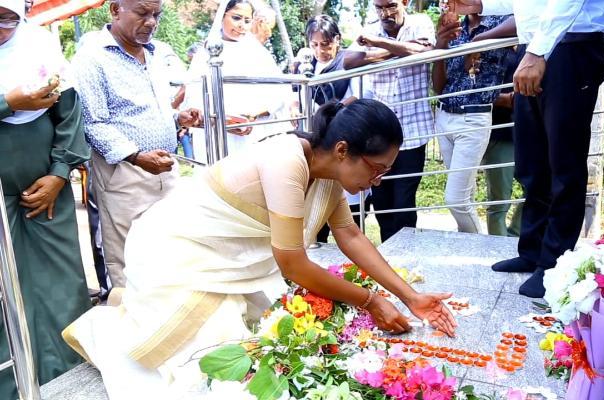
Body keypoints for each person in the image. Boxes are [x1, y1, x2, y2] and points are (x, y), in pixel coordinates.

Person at [63, 99, 458, 399]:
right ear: (342, 150)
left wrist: (411, 298)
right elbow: (293, 264)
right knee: (211, 363)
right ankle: (107, 324)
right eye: (376, 169)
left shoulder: (328, 176)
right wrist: (370, 301)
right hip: (174, 253)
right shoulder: (286, 160)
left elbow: (351, 236)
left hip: (227, 263)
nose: (378, 181)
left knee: (258, 341)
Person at [453, 0, 604, 297]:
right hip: (536, 45)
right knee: (532, 163)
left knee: (564, 164)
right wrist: (481, 5)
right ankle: (532, 251)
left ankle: (554, 264)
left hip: (571, 43)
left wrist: (537, 51)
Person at [73, 0, 203, 289]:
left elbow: (146, 110)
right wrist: (136, 156)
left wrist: (177, 118)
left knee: (171, 255)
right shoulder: (92, 58)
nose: (151, 22)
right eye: (142, 13)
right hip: (125, 174)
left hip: (165, 168)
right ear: (115, 10)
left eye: (157, 14)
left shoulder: (153, 54)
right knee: (130, 262)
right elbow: (93, 123)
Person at [0, 0, 91, 397]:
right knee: (5, 294)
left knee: (60, 285)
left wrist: (58, 173)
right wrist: (9, 103)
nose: (0, 29)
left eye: (7, 20)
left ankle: (65, 380)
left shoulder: (39, 46)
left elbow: (70, 115)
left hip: (45, 192)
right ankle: (11, 386)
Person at [344, 0, 436, 242]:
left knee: (404, 204)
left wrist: (376, 46)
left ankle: (406, 254)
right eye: (379, 7)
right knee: (382, 203)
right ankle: (387, 256)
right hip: (379, 135)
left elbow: (425, 51)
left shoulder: (420, 22)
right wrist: (398, 50)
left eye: (391, 6)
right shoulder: (370, 27)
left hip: (413, 130)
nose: (385, 13)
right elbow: (349, 62)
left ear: (404, 2)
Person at [431, 12, 513, 233]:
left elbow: (523, 22)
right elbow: (439, 88)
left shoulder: (500, 19)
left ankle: (478, 246)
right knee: (465, 197)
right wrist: (441, 45)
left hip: (474, 118)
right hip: (444, 115)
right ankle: (466, 244)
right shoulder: (456, 27)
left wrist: (478, 40)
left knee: (456, 200)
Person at [184, 0, 295, 159]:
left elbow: (280, 90)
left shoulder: (258, 52)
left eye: (247, 20)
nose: (242, 25)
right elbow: (194, 96)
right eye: (236, 18)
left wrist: (256, 114)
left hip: (254, 132)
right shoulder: (205, 54)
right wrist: (225, 120)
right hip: (218, 133)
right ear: (222, 16)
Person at [298, 15, 372, 244]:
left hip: (345, 137)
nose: (320, 50)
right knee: (315, 208)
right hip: (318, 142)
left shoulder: (347, 62)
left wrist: (330, 112)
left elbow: (360, 95)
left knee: (349, 212)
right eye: (314, 45)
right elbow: (297, 97)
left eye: (325, 44)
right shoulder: (307, 67)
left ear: (337, 40)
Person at [482, 47, 522, 237]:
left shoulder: (534, 44)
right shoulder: (491, 46)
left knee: (538, 188)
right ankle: (498, 246)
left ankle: (515, 236)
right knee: (499, 199)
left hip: (529, 130)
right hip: (500, 132)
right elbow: (474, 89)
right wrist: (509, 99)